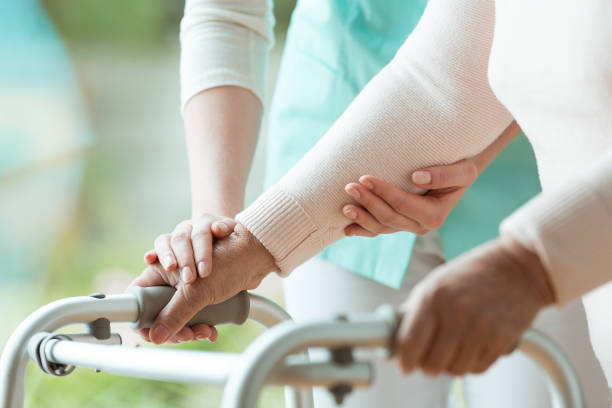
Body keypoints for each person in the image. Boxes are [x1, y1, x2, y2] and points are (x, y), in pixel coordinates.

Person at [132, 0, 612, 405]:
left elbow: (504, 54)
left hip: (547, 194)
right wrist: (234, 237)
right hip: (343, 165)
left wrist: (530, 261)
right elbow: (447, 76)